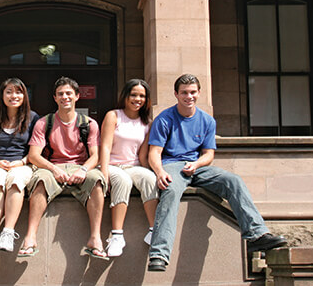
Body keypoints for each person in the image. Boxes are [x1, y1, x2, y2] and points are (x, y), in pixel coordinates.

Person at [146, 73, 287, 272]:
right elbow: (154, 153)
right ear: (176, 94)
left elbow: (208, 155)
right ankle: (159, 254)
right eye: (184, 93)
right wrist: (160, 172)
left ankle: (256, 235)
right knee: (170, 191)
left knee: (233, 181)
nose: (189, 96)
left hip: (196, 166)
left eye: (193, 92)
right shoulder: (164, 119)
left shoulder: (207, 121)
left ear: (199, 93)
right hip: (172, 165)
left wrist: (196, 164)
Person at [19, 76, 108, 260]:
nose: (65, 97)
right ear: (55, 98)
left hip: (80, 167)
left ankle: (95, 238)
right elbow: (34, 156)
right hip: (52, 166)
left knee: (97, 181)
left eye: (69, 93)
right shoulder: (44, 123)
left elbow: (96, 155)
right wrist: (53, 169)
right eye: (60, 94)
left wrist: (83, 170)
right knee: (40, 180)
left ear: (77, 96)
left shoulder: (89, 124)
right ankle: (30, 237)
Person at [99, 78, 158, 257]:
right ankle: (117, 236)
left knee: (150, 179)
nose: (137, 99)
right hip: (112, 165)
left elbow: (142, 155)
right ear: (125, 96)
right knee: (123, 181)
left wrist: (156, 172)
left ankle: (154, 230)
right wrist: (104, 174)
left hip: (133, 165)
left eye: (142, 96)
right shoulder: (113, 115)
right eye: (133, 95)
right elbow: (105, 146)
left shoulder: (147, 123)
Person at [0, 78, 40, 254]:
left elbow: (36, 149)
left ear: (24, 95)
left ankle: (8, 231)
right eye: (9, 92)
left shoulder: (33, 118)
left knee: (16, 179)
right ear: (2, 95)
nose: (13, 96)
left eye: (18, 92)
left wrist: (21, 162)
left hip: (23, 163)